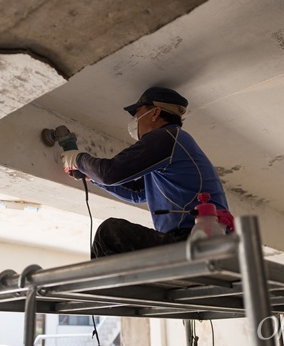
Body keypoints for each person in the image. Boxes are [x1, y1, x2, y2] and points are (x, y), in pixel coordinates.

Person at [61, 87, 230, 258]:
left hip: (195, 239)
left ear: (155, 113)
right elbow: (137, 192)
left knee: (109, 232)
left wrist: (79, 160)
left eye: (137, 113)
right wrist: (93, 177)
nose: (135, 120)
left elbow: (110, 173)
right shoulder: (174, 145)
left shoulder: (167, 137)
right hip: (196, 240)